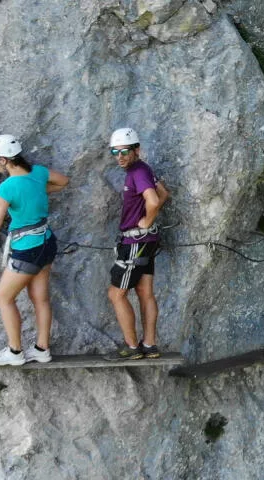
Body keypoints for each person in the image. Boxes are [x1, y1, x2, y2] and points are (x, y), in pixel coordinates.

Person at [0, 134, 69, 366]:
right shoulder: (39, 173)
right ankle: (42, 349)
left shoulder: (7, 187)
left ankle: (14, 352)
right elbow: (63, 181)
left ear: (3, 159)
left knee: (3, 298)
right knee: (40, 298)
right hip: (47, 242)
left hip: (26, 249)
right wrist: (40, 191)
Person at [104, 128, 169, 361]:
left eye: (124, 151)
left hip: (135, 242)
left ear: (137, 150)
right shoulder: (143, 169)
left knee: (116, 294)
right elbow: (164, 193)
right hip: (147, 241)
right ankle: (150, 345)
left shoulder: (136, 172)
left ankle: (132, 347)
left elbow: (153, 199)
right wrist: (148, 222)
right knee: (145, 292)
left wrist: (146, 220)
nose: (119, 156)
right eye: (115, 152)